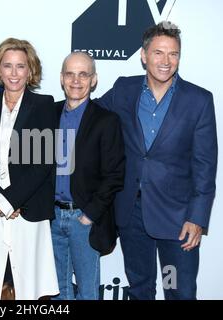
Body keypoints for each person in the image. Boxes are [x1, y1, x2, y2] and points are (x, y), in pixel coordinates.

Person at [97, 21, 217, 300]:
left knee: (178, 291)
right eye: (158, 53)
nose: (166, 61)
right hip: (131, 213)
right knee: (140, 289)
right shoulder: (124, 90)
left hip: (177, 220)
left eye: (173, 54)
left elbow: (205, 165)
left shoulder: (198, 100)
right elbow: (92, 117)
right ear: (144, 55)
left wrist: (196, 218)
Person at [0, 38, 59, 300]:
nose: (14, 73)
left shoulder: (43, 106)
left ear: (30, 71)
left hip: (26, 210)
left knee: (25, 288)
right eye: (8, 66)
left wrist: (11, 201)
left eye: (20, 66)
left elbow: (42, 162)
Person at [51, 52, 125, 300]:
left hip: (84, 220)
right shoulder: (47, 115)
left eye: (83, 74)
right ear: (62, 78)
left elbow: (115, 174)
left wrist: (89, 215)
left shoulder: (107, 121)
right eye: (70, 74)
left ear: (94, 80)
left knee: (88, 292)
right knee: (57, 291)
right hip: (50, 218)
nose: (76, 80)